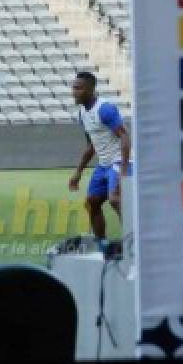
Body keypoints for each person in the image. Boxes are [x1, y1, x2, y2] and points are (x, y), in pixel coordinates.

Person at [68, 71, 131, 251]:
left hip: (119, 162)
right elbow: (91, 146)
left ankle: (133, 243)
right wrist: (78, 172)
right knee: (92, 202)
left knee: (115, 199)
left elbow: (125, 136)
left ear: (90, 90)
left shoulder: (105, 109)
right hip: (103, 165)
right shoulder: (81, 113)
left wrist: (124, 170)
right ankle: (102, 245)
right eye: (73, 87)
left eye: (78, 88)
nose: (74, 92)